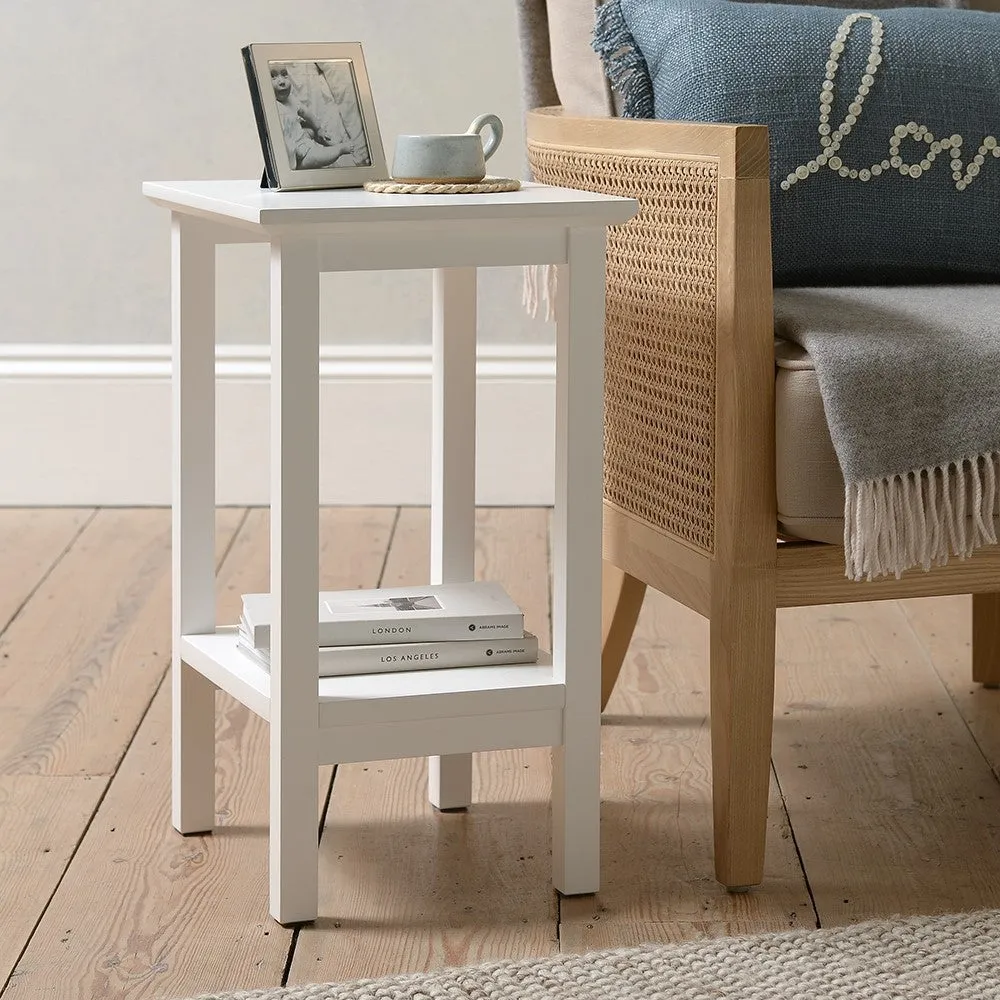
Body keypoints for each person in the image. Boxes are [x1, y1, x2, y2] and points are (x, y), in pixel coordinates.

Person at [269, 63, 363, 170]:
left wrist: (318, 128)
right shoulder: (270, 105)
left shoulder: (291, 100)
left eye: (284, 75)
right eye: (273, 77)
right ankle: (338, 149)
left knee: (312, 132)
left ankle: (332, 144)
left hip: (301, 138)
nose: (282, 82)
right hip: (294, 153)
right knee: (317, 157)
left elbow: (306, 113)